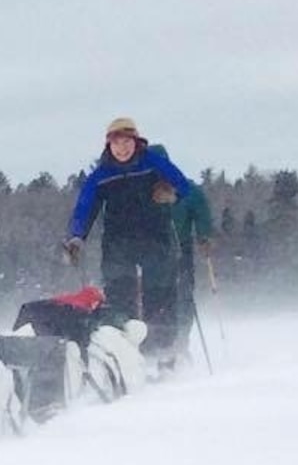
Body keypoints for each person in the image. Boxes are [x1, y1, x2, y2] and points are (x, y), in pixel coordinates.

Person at [63, 116, 215, 364]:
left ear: (136, 142)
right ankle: (127, 353)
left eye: (127, 142)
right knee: (120, 297)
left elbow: (183, 186)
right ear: (108, 145)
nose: (122, 148)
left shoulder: (152, 163)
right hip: (118, 243)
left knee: (160, 294)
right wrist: (76, 238)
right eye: (116, 143)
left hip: (156, 239)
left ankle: (163, 353)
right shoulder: (102, 175)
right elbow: (85, 207)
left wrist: (170, 193)